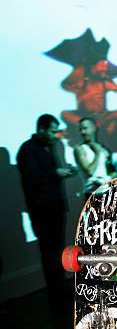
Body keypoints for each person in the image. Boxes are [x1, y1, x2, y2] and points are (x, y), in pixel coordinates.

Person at [17, 114, 77, 303]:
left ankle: (60, 289)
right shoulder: (27, 149)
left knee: (56, 249)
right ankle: (56, 293)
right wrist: (56, 173)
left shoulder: (47, 147)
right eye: (52, 131)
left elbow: (45, 176)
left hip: (54, 206)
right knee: (49, 250)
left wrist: (63, 172)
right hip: (42, 209)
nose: (54, 135)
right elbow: (31, 178)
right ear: (41, 129)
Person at [74, 117, 117, 199]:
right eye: (80, 129)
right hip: (92, 195)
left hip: (108, 193)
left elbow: (111, 172)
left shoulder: (103, 149)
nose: (82, 132)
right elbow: (90, 171)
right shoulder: (80, 149)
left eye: (85, 128)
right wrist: (98, 153)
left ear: (94, 128)